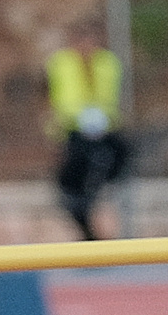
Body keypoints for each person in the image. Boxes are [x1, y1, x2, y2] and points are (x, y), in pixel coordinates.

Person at [47, 19, 127, 241]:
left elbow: (110, 98)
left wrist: (100, 119)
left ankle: (95, 194)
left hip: (104, 131)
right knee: (69, 184)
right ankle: (87, 222)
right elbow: (56, 99)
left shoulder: (107, 63)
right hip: (73, 132)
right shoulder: (61, 64)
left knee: (118, 156)